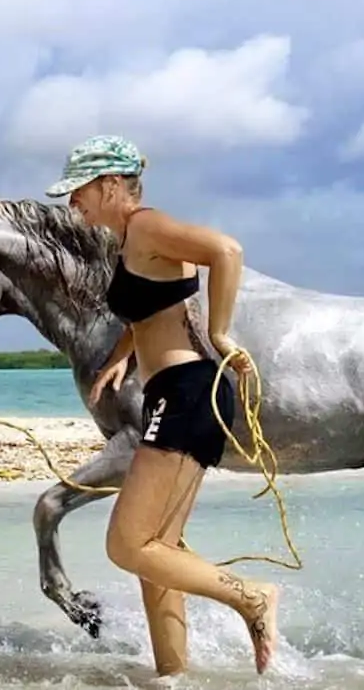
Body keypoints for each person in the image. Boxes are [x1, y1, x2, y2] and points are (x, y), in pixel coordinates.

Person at [44, 134, 279, 677]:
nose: (72, 203)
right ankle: (172, 677)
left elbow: (226, 250)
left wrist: (220, 334)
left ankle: (252, 597)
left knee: (127, 545)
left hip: (188, 391)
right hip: (174, 390)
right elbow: (152, 308)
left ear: (109, 185)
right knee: (157, 554)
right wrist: (125, 356)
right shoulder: (130, 240)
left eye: (77, 192)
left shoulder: (147, 225)